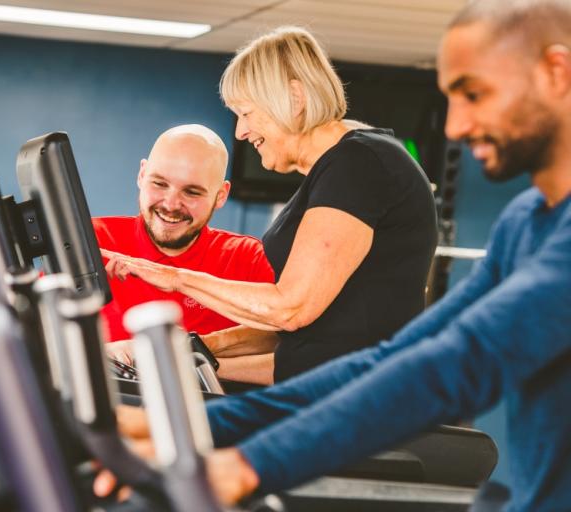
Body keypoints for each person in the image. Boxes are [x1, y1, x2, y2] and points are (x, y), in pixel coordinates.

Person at [98, 1, 571, 509]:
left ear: (557, 73)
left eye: (473, 94)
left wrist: (249, 462)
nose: (454, 127)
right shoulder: (525, 221)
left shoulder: (364, 164)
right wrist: (186, 424)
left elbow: (451, 367)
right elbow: (390, 360)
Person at [104, 27, 438, 384]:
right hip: (318, 386)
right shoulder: (339, 168)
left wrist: (176, 278)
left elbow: (290, 308)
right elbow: (306, 333)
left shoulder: (357, 163)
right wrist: (187, 350)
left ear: (294, 98)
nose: (241, 132)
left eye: (246, 113)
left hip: (356, 402)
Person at [93, 124, 274, 363]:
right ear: (142, 175)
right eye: (159, 184)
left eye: (192, 192)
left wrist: (192, 347)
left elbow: (284, 337)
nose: (170, 204)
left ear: (221, 195)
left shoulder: (249, 258)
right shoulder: (92, 239)